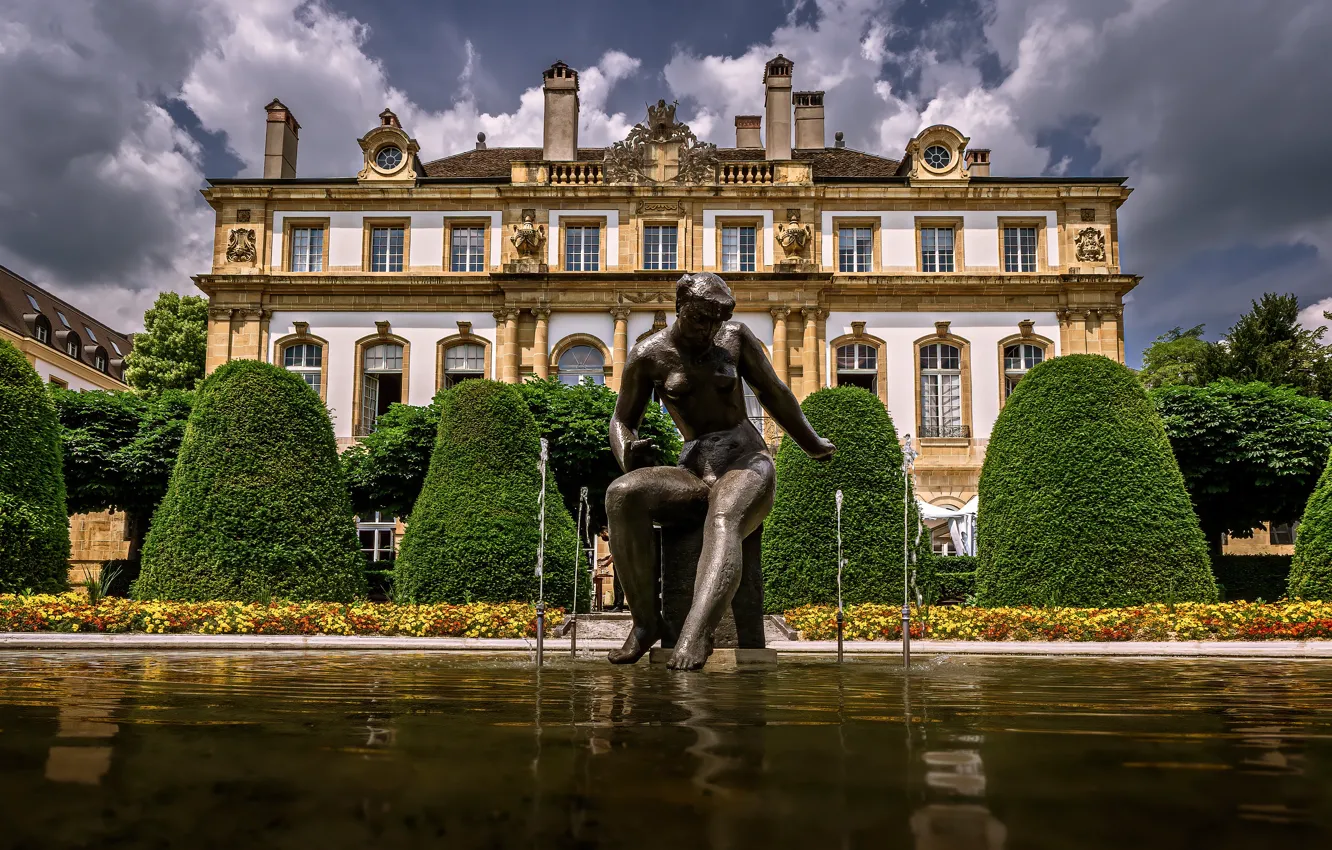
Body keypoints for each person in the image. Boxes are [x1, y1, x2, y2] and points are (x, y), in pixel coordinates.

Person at [605, 272, 834, 670]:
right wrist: (628, 451)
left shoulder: (736, 338)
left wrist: (812, 443)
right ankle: (646, 623)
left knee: (724, 517)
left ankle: (696, 634)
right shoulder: (648, 355)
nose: (709, 329)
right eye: (700, 319)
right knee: (622, 494)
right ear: (679, 309)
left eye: (716, 320)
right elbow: (621, 420)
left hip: (745, 459)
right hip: (693, 466)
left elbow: (774, 393)